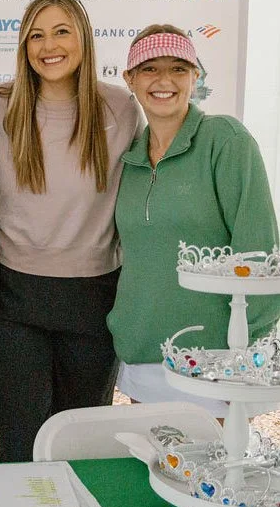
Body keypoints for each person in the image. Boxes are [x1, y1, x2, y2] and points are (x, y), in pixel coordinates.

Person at [0, 0, 143, 462]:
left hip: (93, 301)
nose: (49, 46)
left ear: (84, 39)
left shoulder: (121, 110)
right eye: (36, 35)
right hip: (13, 301)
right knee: (22, 446)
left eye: (61, 31)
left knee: (80, 446)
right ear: (24, 47)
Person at [108, 24, 280, 416]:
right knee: (152, 474)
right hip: (144, 353)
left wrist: (248, 352)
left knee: (214, 473)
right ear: (130, 79)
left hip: (216, 361)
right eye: (150, 69)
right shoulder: (129, 158)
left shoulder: (227, 141)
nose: (164, 80)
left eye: (178, 68)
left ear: (196, 77)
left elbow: (261, 252)